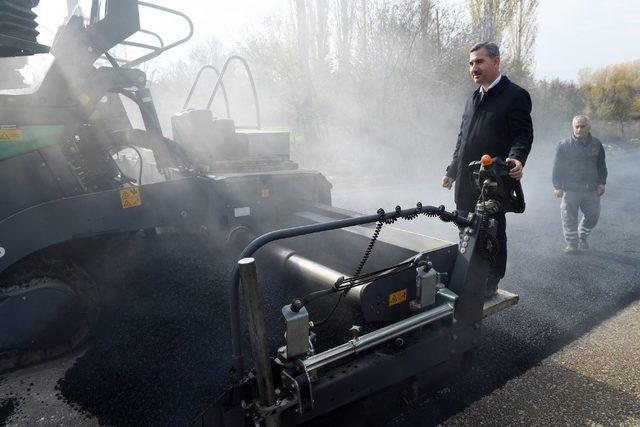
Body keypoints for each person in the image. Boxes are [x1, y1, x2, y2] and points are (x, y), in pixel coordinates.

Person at [441, 41, 533, 298]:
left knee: (492, 230)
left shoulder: (514, 95)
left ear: (496, 61)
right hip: (466, 180)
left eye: (479, 62)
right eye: (471, 63)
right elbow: (463, 138)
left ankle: (490, 281)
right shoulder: (472, 98)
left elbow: (523, 134)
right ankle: (469, 274)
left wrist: (516, 158)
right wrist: (451, 170)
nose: (474, 68)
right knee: (465, 226)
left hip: (492, 180)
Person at [552, 115, 607, 253]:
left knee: (593, 215)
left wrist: (601, 183)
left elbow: (601, 165)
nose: (579, 129)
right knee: (569, 217)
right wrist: (557, 186)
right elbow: (557, 167)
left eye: (583, 126)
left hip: (591, 189)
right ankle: (572, 243)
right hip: (571, 189)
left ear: (589, 127)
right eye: (577, 126)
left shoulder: (596, 144)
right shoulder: (564, 145)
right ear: (573, 127)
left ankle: (582, 236)